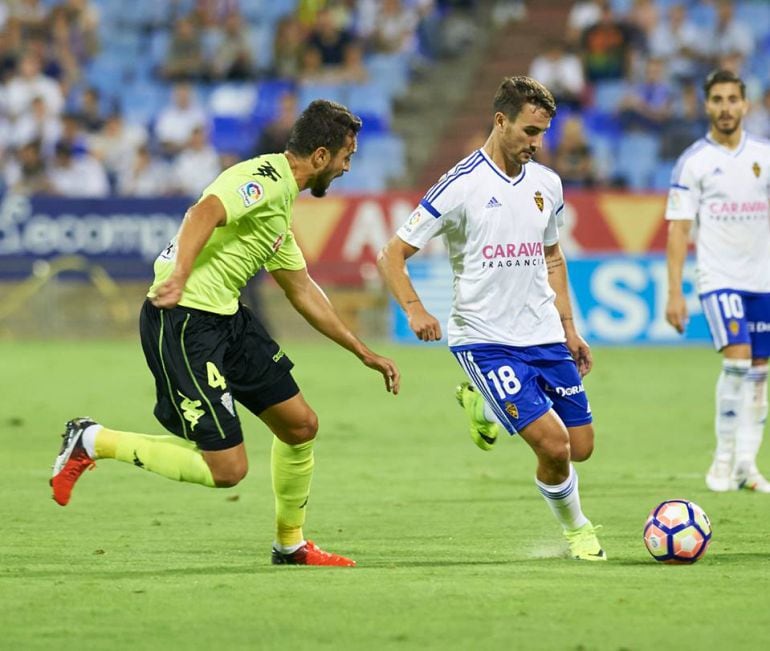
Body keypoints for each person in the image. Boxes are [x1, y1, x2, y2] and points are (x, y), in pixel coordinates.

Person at [50, 100, 401, 566]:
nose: (345, 168)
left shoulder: (278, 211)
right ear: (320, 156)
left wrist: (363, 352)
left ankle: (290, 543)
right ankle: (92, 440)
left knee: (300, 425)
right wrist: (179, 273)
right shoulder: (266, 178)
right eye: (344, 158)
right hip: (185, 322)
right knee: (228, 469)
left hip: (227, 320)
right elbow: (204, 211)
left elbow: (303, 291)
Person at [377, 76, 605, 561]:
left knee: (580, 446)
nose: (536, 143)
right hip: (485, 340)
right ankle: (578, 531)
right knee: (555, 446)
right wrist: (415, 309)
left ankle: (482, 402)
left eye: (542, 133)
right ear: (500, 121)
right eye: (528, 131)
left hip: (543, 332)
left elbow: (554, 257)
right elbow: (391, 255)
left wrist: (568, 327)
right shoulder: (460, 186)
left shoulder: (547, 183)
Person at [665, 69, 770, 493]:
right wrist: (675, 291)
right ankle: (723, 459)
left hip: (763, 280)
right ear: (706, 106)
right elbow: (678, 229)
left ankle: (748, 463)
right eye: (718, 100)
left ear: (745, 105)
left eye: (733, 99)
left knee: (760, 371)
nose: (726, 107)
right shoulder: (695, 162)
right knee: (738, 360)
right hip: (720, 278)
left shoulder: (764, 155)